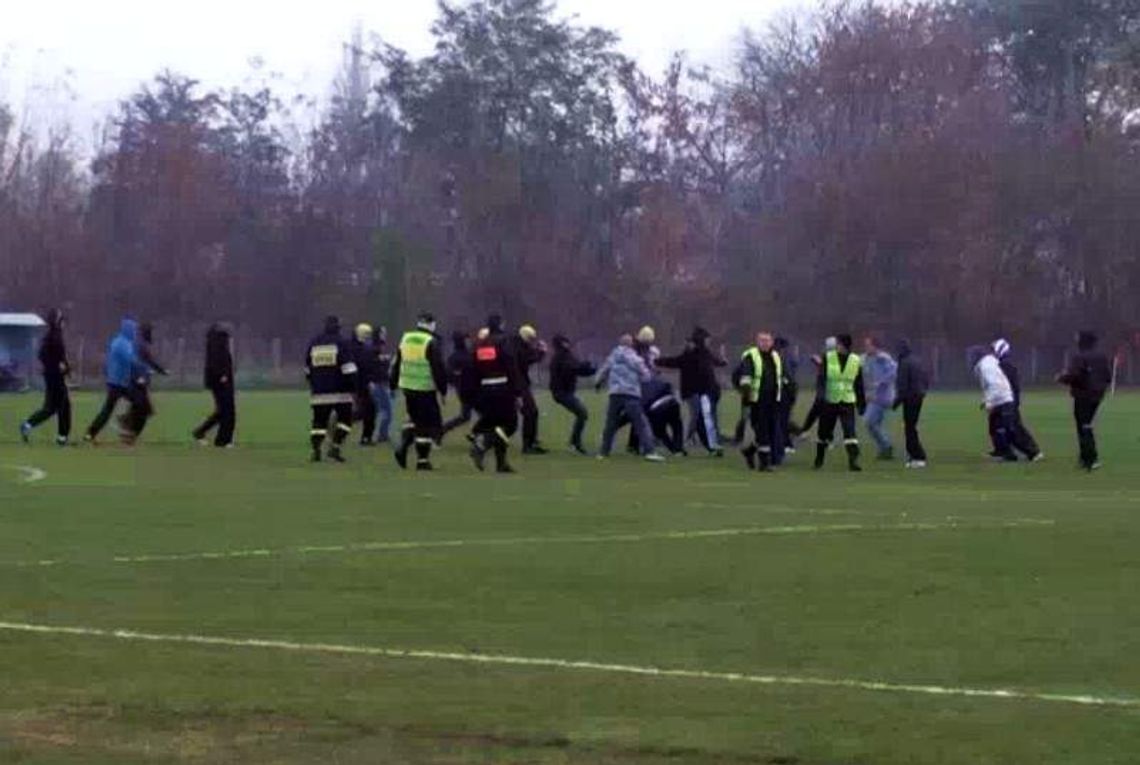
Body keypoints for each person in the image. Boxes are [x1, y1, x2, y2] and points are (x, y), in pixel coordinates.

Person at [391, 312, 448, 471]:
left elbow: (397, 363)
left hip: (408, 386)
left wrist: (393, 383)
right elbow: (438, 368)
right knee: (428, 424)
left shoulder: (406, 338)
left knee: (415, 420)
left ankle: (404, 448)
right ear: (431, 324)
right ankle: (422, 460)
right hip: (425, 387)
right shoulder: (431, 341)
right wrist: (443, 389)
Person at [656, 326, 726, 457]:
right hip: (691, 392)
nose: (708, 342)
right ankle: (684, 443)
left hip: (703, 392)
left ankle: (709, 446)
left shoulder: (705, 353)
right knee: (696, 416)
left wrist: (722, 361)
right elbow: (675, 361)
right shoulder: (690, 354)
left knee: (700, 418)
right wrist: (657, 361)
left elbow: (715, 363)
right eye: (706, 339)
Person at [595, 334, 664, 462]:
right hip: (631, 394)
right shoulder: (634, 358)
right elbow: (646, 375)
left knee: (610, 424)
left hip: (615, 393)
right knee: (641, 423)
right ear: (631, 344)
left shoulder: (613, 357)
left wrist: (598, 383)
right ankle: (649, 451)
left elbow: (603, 371)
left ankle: (603, 452)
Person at [968, 345, 1041, 463]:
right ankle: (1004, 452)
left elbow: (995, 385)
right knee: (995, 428)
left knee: (1007, 429)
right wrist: (986, 400)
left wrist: (989, 402)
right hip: (1001, 399)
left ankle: (1032, 452)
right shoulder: (988, 364)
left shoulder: (986, 367)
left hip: (1002, 400)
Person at [469, 324, 524, 473]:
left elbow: (473, 369)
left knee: (497, 425)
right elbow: (511, 367)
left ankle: (501, 463)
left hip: (485, 389)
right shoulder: (503, 342)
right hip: (502, 388)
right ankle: (483, 445)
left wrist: (475, 393)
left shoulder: (480, 346)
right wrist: (517, 393)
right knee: (510, 424)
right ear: (500, 325)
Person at [84, 318, 147, 445]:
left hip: (117, 382)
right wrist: (144, 369)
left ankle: (90, 434)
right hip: (119, 383)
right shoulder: (123, 344)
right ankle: (126, 428)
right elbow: (131, 360)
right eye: (134, 330)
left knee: (108, 410)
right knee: (140, 403)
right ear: (129, 330)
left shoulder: (120, 341)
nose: (135, 332)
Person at [1057, 331, 1112, 471]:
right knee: (1086, 424)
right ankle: (1084, 457)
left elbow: (1075, 375)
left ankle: (1091, 459)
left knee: (1084, 426)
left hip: (1083, 395)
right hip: (1097, 396)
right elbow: (1108, 376)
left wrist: (1061, 378)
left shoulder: (1079, 357)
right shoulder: (1102, 356)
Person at [305, 315, 357, 463]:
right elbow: (348, 369)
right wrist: (354, 387)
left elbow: (307, 369)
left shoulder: (314, 343)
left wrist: (314, 384)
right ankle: (335, 447)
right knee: (345, 421)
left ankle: (316, 451)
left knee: (318, 423)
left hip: (319, 392)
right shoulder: (342, 343)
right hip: (341, 392)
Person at [20, 308, 72, 446]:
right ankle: (62, 437)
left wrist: (61, 367)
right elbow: (52, 357)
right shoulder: (54, 337)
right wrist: (59, 367)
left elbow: (48, 356)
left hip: (52, 376)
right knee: (63, 406)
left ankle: (27, 425)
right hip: (55, 377)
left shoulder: (52, 336)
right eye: (61, 319)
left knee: (50, 408)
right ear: (57, 321)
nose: (63, 322)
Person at [814, 334, 866, 472]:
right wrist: (821, 396)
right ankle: (819, 459)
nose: (836, 346)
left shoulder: (855, 360)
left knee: (850, 432)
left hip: (847, 401)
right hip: (830, 401)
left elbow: (859, 383)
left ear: (843, 345)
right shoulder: (828, 357)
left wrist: (861, 403)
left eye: (838, 344)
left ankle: (853, 461)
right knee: (824, 432)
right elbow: (822, 378)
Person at [735, 331, 783, 472]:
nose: (765, 343)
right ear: (757, 342)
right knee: (763, 431)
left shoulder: (775, 356)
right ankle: (764, 464)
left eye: (767, 340)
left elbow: (780, 376)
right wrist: (747, 397)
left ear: (772, 342)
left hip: (773, 400)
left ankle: (749, 452)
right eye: (762, 340)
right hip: (757, 401)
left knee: (770, 430)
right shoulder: (751, 356)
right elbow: (745, 378)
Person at [990, 339, 1041, 460]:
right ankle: (1003, 450)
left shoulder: (1004, 366)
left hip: (1007, 401)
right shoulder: (1002, 365)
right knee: (996, 425)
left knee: (1013, 427)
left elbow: (1008, 386)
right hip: (1005, 400)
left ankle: (1033, 452)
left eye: (994, 349)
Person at [119, 322, 168, 444]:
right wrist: (141, 376)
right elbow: (142, 362)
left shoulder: (141, 344)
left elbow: (148, 362)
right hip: (137, 381)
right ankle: (129, 430)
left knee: (142, 408)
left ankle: (128, 427)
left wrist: (160, 371)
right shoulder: (140, 345)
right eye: (150, 332)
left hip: (139, 381)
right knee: (143, 409)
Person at [549, 334, 596, 455]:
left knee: (582, 414)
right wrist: (583, 366)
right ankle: (575, 442)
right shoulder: (559, 357)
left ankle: (574, 441)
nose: (568, 344)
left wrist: (589, 369)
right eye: (565, 342)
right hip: (561, 392)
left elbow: (577, 369)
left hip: (566, 392)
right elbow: (570, 369)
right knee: (582, 413)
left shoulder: (567, 355)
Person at [192, 322, 236, 448]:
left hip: (220, 380)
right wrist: (223, 375)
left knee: (223, 411)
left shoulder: (214, 343)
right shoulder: (218, 343)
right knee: (227, 411)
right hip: (222, 381)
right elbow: (217, 362)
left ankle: (202, 433)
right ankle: (223, 440)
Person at [892, 339, 929, 468]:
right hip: (919, 396)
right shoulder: (917, 360)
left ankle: (917, 456)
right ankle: (915, 454)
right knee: (911, 426)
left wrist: (896, 402)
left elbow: (902, 385)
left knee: (909, 428)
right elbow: (926, 378)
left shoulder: (904, 363)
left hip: (910, 398)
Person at [862, 335, 898, 461]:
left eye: (868, 345)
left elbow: (894, 372)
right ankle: (884, 450)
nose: (866, 347)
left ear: (875, 346)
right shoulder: (865, 359)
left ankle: (886, 446)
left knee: (869, 422)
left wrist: (881, 382)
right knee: (874, 424)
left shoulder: (883, 358)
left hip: (883, 397)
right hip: (872, 397)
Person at [514, 324, 548, 454]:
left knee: (531, 413)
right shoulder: (519, 348)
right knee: (530, 412)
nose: (531, 341)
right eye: (530, 338)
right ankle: (528, 445)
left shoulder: (517, 345)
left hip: (519, 384)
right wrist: (541, 352)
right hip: (518, 385)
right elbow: (528, 358)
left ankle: (531, 442)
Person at [796, 336, 837, 439]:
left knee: (820, 413)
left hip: (828, 390)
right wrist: (818, 363)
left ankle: (825, 436)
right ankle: (805, 431)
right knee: (817, 412)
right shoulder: (828, 356)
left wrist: (818, 363)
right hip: (823, 389)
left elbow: (829, 372)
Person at [441, 331, 476, 439]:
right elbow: (448, 373)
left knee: (465, 416)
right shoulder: (457, 356)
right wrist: (459, 379)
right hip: (466, 389)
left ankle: (442, 430)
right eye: (466, 340)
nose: (469, 341)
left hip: (469, 388)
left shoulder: (468, 353)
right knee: (481, 413)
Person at [351, 324, 379, 445]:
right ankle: (365, 437)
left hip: (362, 383)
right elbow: (364, 366)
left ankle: (366, 436)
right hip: (360, 384)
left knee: (368, 410)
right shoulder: (357, 349)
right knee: (367, 411)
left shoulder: (362, 348)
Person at [772, 336, 798, 463]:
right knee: (782, 422)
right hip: (782, 396)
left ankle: (784, 445)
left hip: (779, 396)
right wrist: (792, 394)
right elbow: (789, 380)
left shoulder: (778, 358)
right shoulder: (781, 359)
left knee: (781, 422)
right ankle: (784, 446)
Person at [371, 326, 394, 443]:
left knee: (385, 410)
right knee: (387, 411)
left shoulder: (382, 347)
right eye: (383, 332)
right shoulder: (375, 348)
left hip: (384, 382)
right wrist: (386, 361)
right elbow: (376, 366)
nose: (385, 334)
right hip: (378, 383)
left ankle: (383, 434)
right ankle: (382, 435)